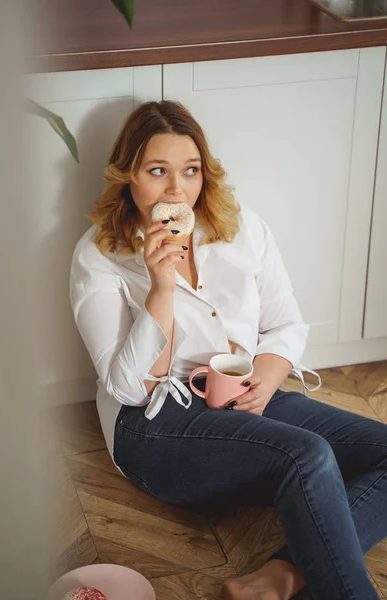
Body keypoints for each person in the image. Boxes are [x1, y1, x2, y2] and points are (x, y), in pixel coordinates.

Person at [70, 100, 387, 600]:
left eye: (190, 171)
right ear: (129, 176)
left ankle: (283, 573)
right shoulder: (100, 254)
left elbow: (285, 323)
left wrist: (267, 375)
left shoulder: (241, 227)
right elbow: (131, 389)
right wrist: (161, 287)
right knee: (307, 455)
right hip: (156, 423)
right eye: (158, 171)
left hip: (246, 395)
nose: (177, 189)